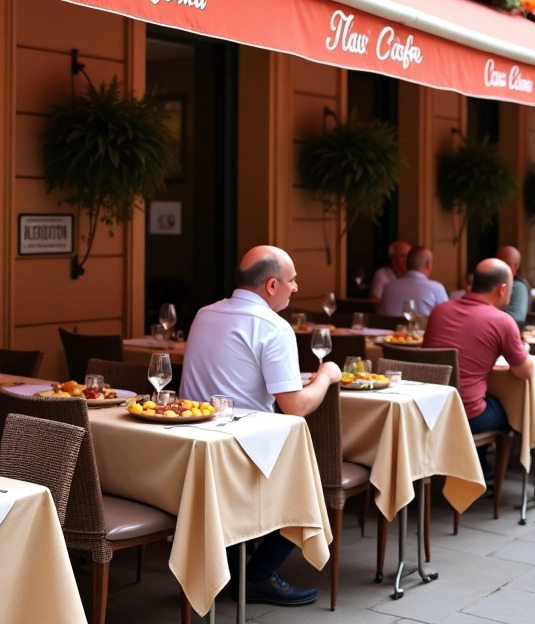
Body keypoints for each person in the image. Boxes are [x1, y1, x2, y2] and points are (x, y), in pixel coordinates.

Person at [181, 245, 341, 606]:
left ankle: (234, 569)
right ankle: (258, 574)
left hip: (194, 447)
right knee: (309, 480)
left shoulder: (204, 314)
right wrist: (327, 376)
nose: (296, 287)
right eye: (292, 280)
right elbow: (295, 407)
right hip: (240, 456)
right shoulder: (275, 327)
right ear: (271, 285)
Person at [422, 259, 534, 441]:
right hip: (468, 416)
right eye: (511, 289)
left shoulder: (439, 310)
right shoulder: (503, 321)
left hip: (428, 410)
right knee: (509, 413)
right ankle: (483, 468)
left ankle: (470, 464)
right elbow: (525, 371)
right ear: (502, 289)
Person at [376, 246, 449, 317]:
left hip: (390, 329)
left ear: (407, 264)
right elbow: (447, 317)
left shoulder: (388, 287)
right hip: (421, 329)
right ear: (428, 265)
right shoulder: (436, 288)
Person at [369, 240, 411, 304]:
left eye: (409, 256)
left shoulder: (413, 275)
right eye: (403, 256)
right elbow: (374, 301)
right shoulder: (382, 274)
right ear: (392, 258)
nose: (407, 260)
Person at [495, 246, 529, 325]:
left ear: (516, 266)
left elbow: (517, 318)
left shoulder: (518, 287)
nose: (501, 267)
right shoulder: (493, 282)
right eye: (499, 262)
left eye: (506, 264)